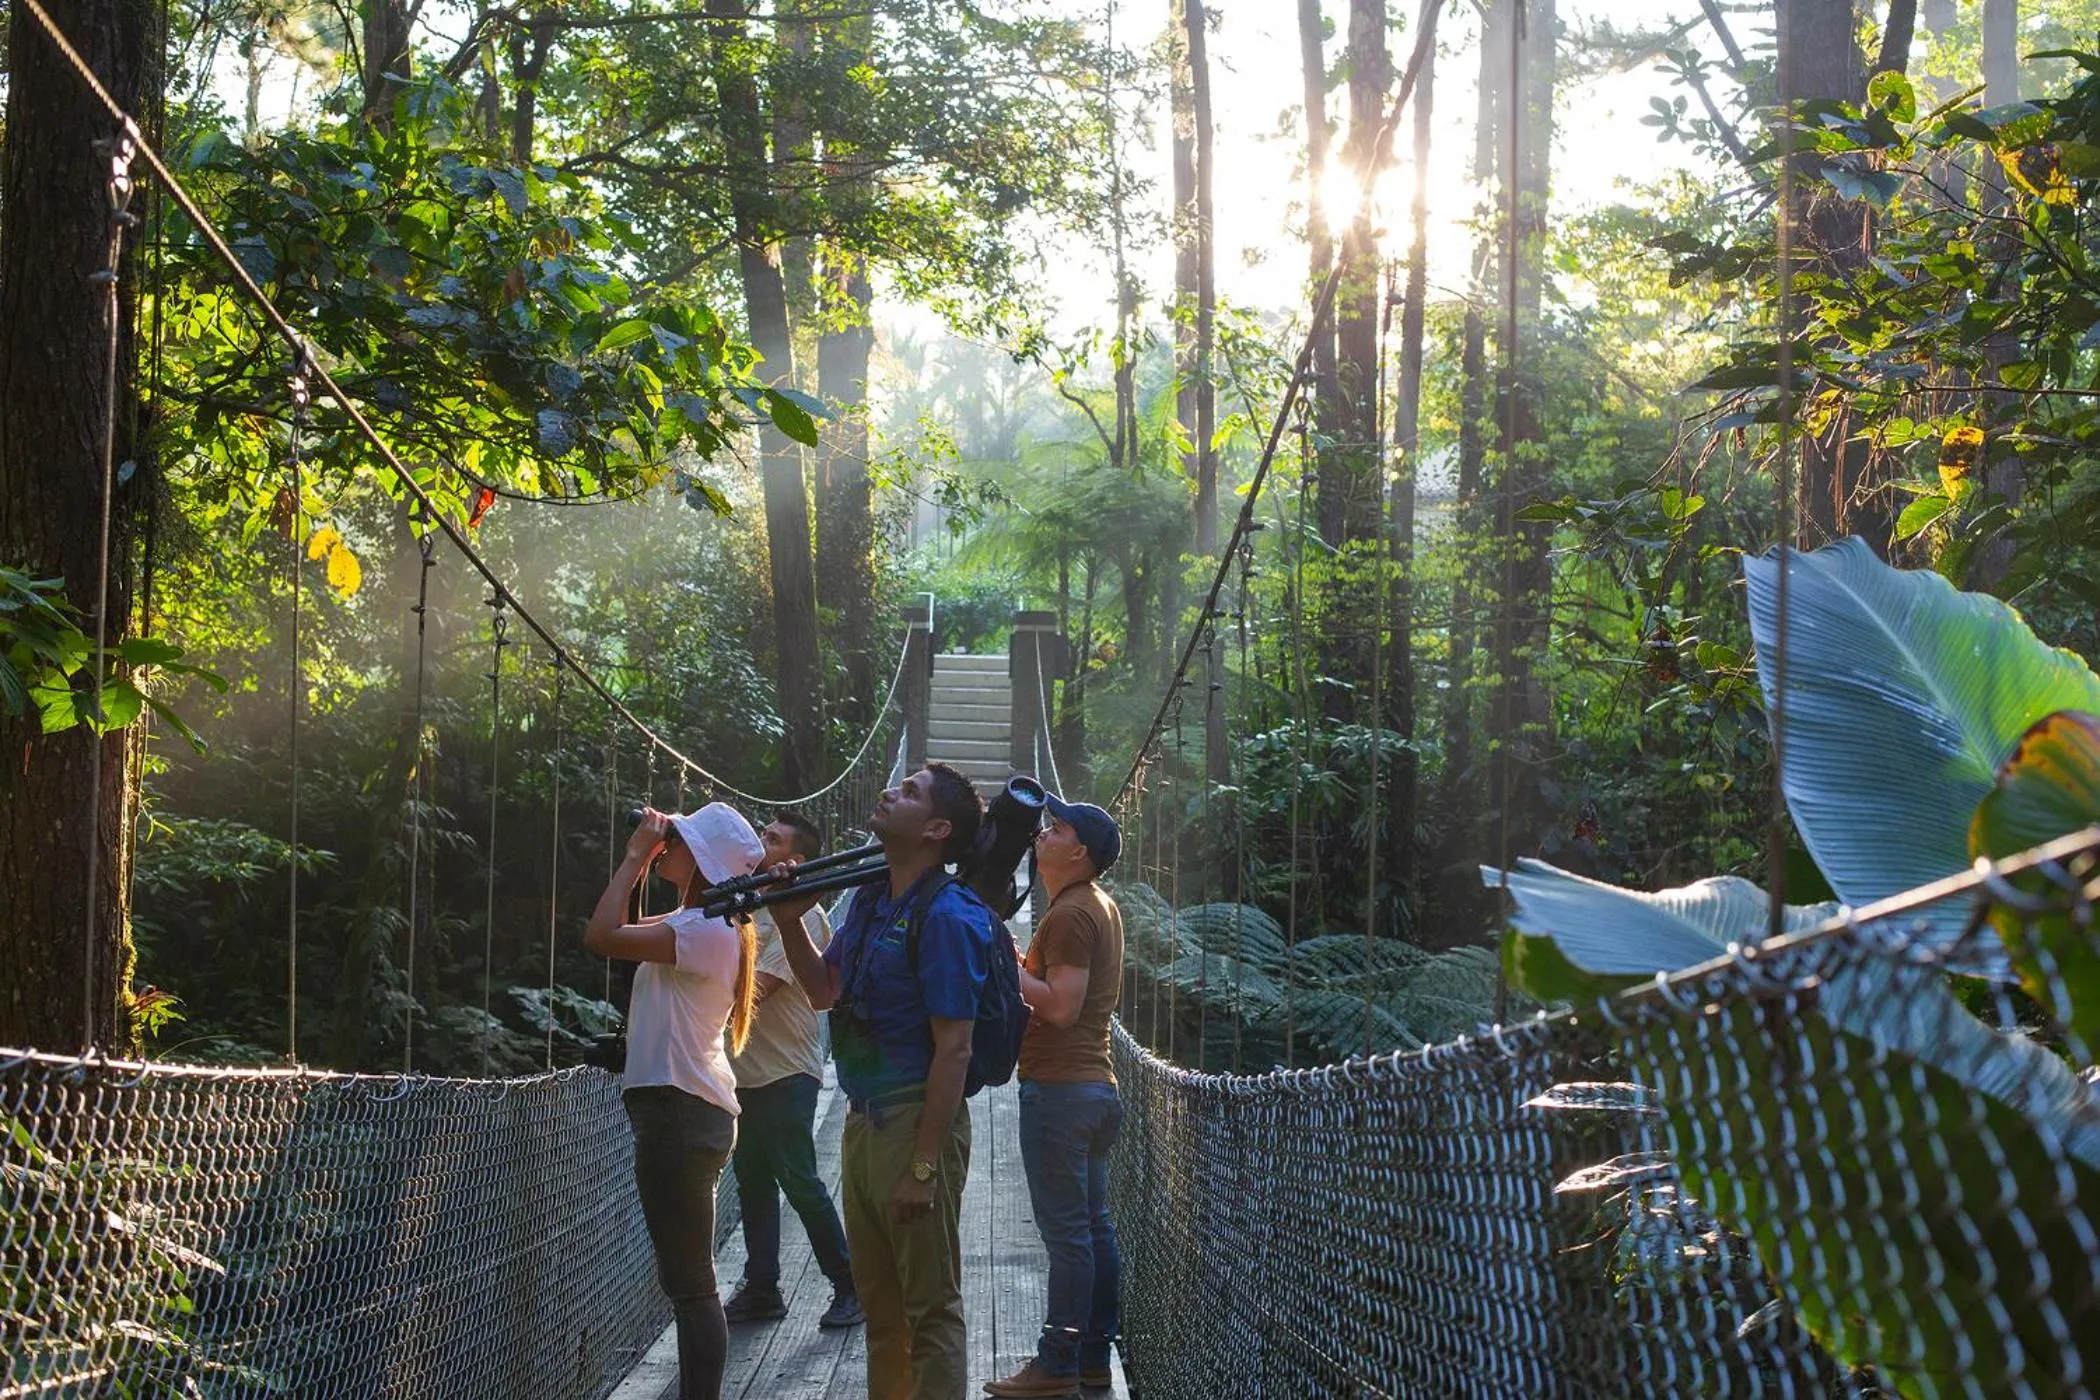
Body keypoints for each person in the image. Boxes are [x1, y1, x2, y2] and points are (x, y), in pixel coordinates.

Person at [772, 762, 996, 1400]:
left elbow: (954, 1050)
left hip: (913, 1125)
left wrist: (924, 1167)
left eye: (909, 792)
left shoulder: (950, 917)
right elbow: (823, 990)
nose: (889, 792)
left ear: (936, 828)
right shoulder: (872, 902)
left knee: (930, 1311)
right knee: (883, 1315)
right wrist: (789, 920)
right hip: (860, 1123)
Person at [584, 802, 765, 1400]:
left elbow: (602, 936)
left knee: (690, 1287)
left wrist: (637, 854)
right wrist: (646, 859)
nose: (669, 845)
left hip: (679, 1113)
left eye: (680, 840)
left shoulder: (704, 930)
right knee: (689, 1283)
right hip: (688, 1111)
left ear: (704, 861)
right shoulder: (706, 925)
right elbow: (626, 933)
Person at [985, 796, 1125, 1399]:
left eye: (1057, 827)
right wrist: (1023, 964)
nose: (1043, 831)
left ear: (1079, 853)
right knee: (1091, 1230)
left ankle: (1057, 1364)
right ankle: (1091, 1355)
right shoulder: (1094, 905)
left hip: (1062, 1092)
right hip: (1093, 1089)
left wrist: (1000, 962)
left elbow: (1061, 1007)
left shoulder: (1071, 912)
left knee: (1069, 1236)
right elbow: (1061, 989)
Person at [721, 811, 864, 1330]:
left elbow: (753, 995)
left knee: (799, 1180)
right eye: (764, 833)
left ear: (795, 861)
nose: (763, 841)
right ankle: (762, 1290)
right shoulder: (745, 905)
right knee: (753, 1181)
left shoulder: (799, 917)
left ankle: (849, 1285)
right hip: (744, 1074)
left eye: (773, 839)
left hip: (786, 1072)